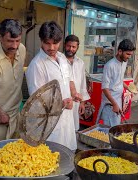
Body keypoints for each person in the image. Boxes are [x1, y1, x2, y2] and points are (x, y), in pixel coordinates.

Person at [26, 21, 79, 151]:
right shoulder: (37, 65)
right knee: (52, 157)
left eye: (55, 43)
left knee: (68, 153)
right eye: (47, 43)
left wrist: (74, 93)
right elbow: (37, 100)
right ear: (41, 41)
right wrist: (62, 103)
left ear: (60, 42)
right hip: (49, 124)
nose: (51, 47)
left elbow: (69, 79)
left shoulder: (62, 58)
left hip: (66, 119)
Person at [97, 39, 136, 126]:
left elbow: (119, 80)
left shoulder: (124, 62)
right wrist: (114, 104)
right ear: (120, 51)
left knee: (116, 126)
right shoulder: (109, 65)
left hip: (118, 100)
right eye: (127, 54)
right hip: (109, 103)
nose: (129, 57)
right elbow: (104, 88)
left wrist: (129, 88)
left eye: (130, 54)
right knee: (109, 128)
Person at [64, 35, 90, 131]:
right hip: (64, 102)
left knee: (74, 128)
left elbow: (83, 83)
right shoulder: (59, 60)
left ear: (77, 47)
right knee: (63, 129)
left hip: (76, 102)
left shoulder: (80, 62)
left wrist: (82, 103)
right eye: (68, 46)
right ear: (64, 45)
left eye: (73, 47)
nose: (70, 49)